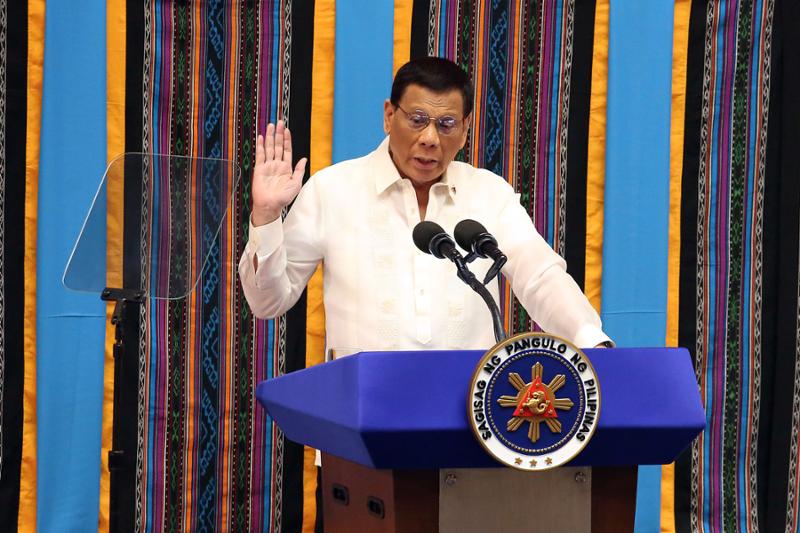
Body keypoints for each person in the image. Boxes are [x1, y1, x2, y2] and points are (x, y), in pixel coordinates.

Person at [238, 56, 612, 353]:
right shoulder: (332, 190)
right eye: (417, 120)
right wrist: (267, 216)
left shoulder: (488, 193)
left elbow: (540, 277)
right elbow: (267, 303)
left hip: (469, 411)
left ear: (465, 129)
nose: (430, 138)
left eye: (446, 124)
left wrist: (592, 341)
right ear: (389, 116)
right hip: (361, 412)